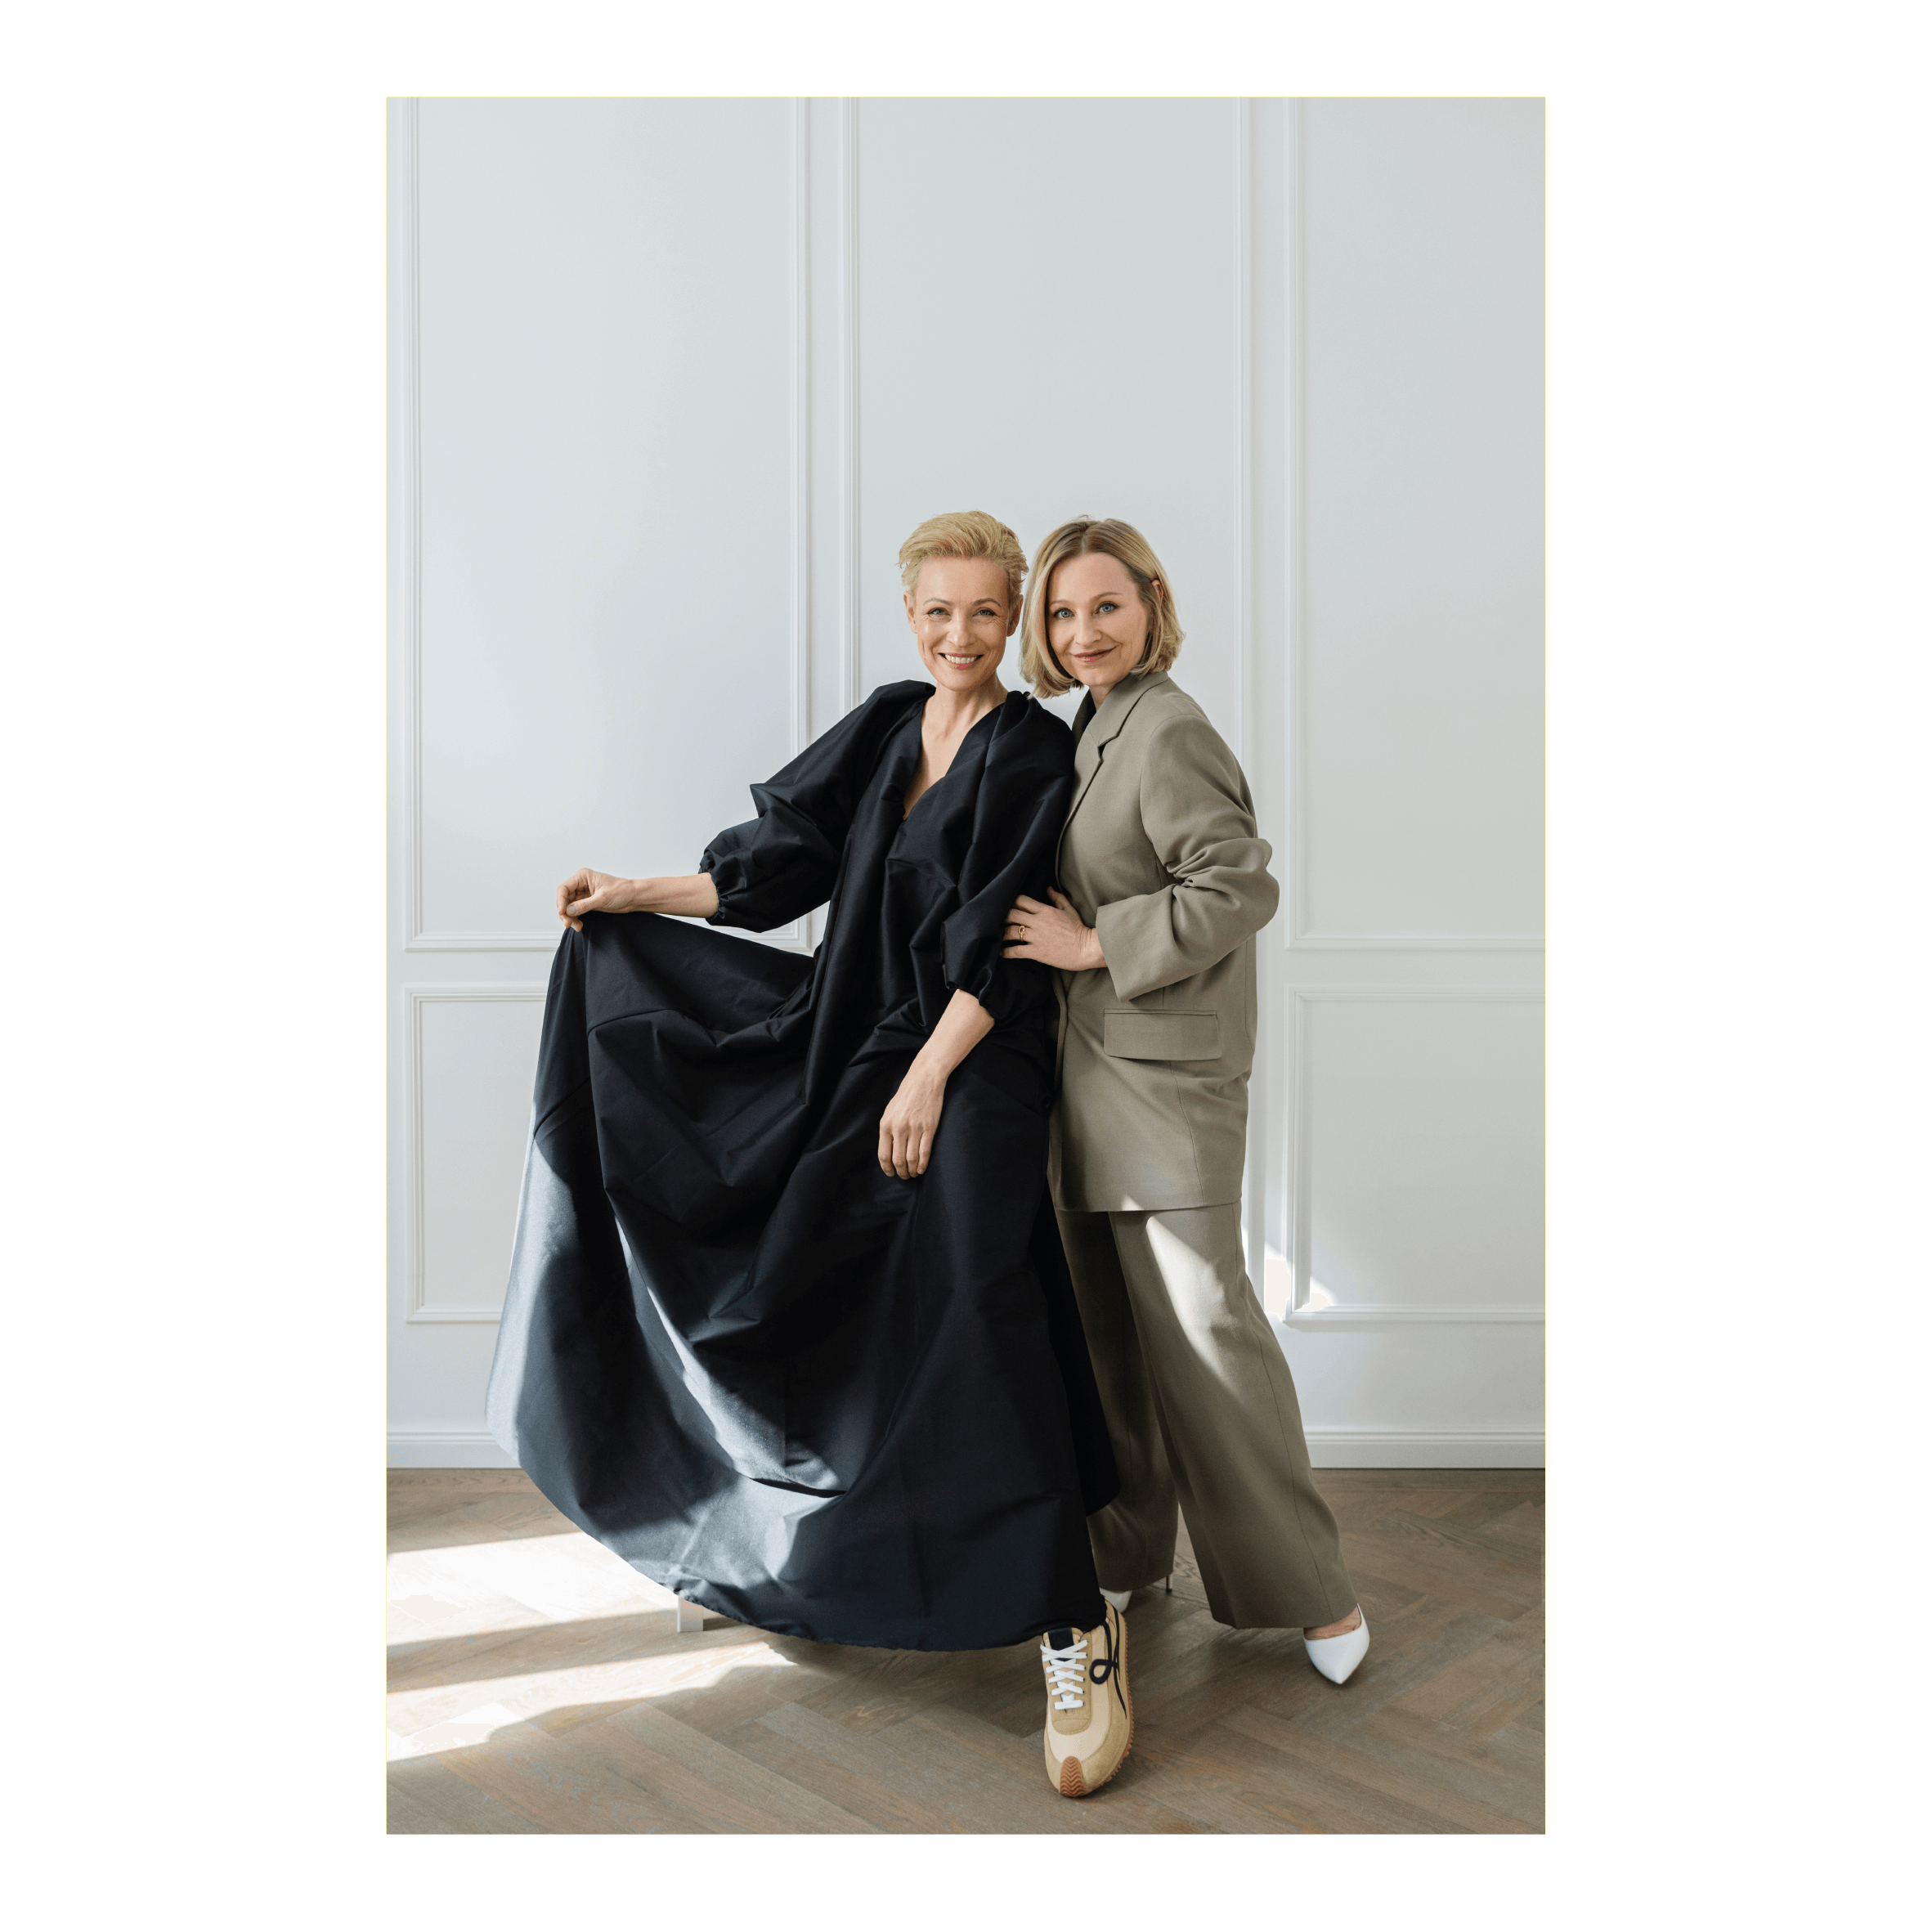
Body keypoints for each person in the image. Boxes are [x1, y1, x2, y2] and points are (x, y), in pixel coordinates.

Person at [486, 510, 1136, 1796]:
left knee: (975, 1295)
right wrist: (633, 893)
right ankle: (779, 1544)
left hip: (974, 1047)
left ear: (1016, 617)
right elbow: (775, 868)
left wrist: (928, 1077)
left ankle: (1075, 1625)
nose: (962, 635)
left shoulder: (1031, 746)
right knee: (782, 1253)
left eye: (987, 612)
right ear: (910, 615)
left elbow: (1002, 942)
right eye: (939, 611)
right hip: (851, 1031)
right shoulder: (891, 721)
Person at [1002, 516, 1371, 1686]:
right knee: (1109, 1343)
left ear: (1152, 605)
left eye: (1106, 606)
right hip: (1085, 1086)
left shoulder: (1166, 727)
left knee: (1211, 1344)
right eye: (1063, 613)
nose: (1084, 631)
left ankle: (1316, 1597)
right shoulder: (1093, 724)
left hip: (1164, 1094)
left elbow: (1237, 884)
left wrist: (1092, 941)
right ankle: (1125, 1555)